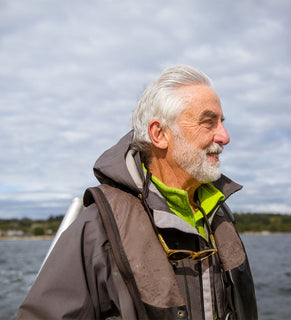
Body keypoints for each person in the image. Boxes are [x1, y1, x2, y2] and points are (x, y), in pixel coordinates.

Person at [17, 65, 258, 320]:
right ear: (159, 134)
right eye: (208, 122)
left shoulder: (218, 213)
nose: (225, 136)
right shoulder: (98, 228)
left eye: (222, 123)